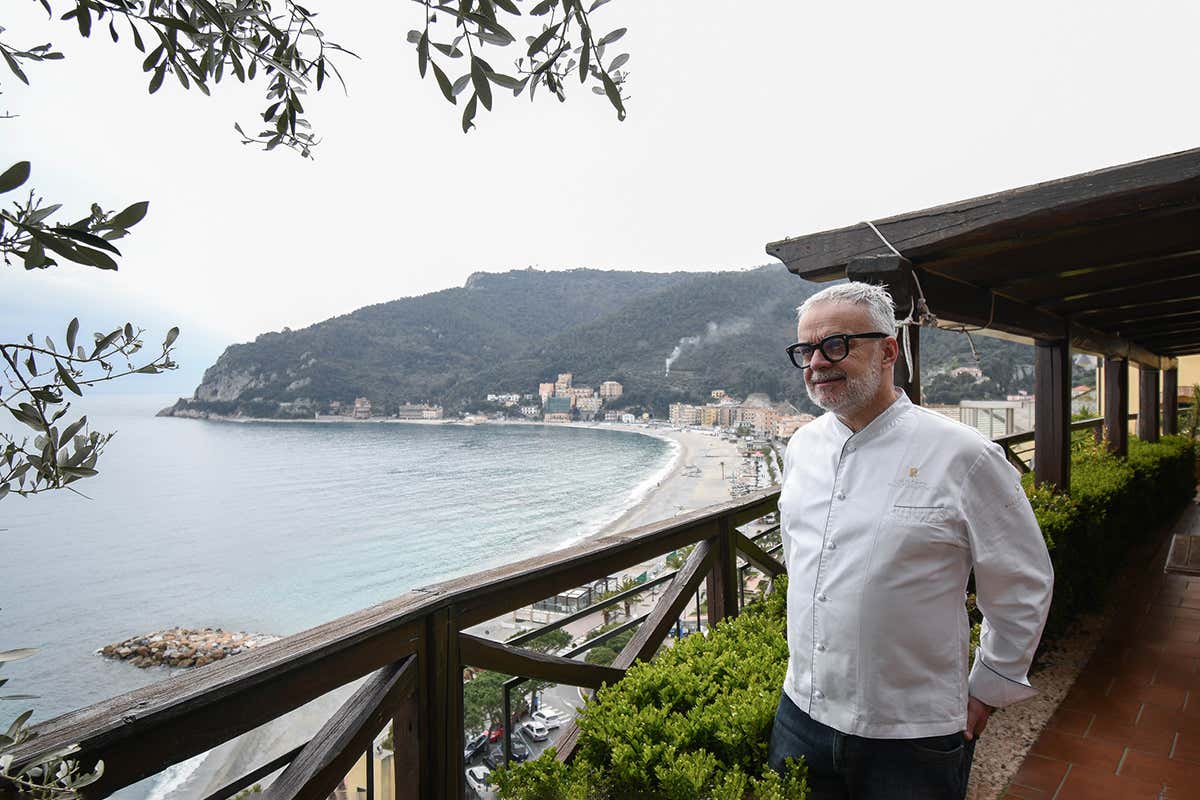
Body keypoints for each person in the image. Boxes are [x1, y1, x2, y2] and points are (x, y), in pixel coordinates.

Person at [768, 282, 1053, 799]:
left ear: (888, 351)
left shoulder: (964, 456)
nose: (817, 363)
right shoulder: (802, 447)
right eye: (806, 350)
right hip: (800, 715)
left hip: (912, 734)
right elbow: (801, 559)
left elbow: (1022, 583)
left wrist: (988, 689)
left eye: (836, 345)